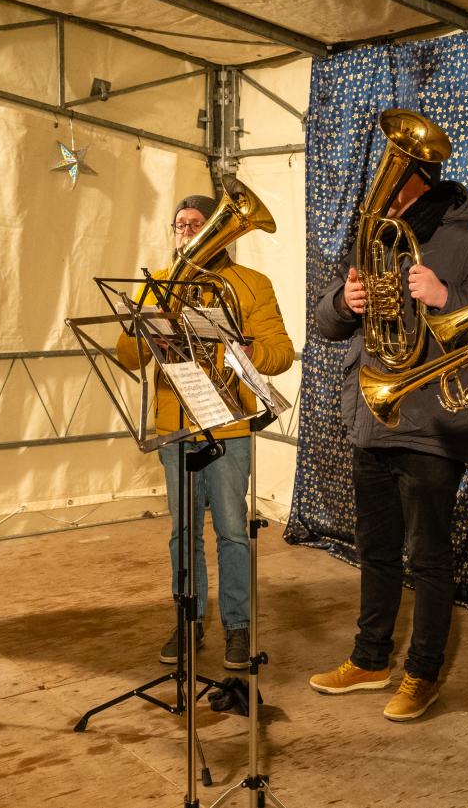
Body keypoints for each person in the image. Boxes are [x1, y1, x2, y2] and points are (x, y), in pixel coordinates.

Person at [309, 158, 468, 721]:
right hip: (374, 417)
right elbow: (326, 325)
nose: (386, 194)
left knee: (428, 558)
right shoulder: (376, 242)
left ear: (425, 181)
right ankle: (370, 660)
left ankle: (422, 673)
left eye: (397, 182)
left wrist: (447, 299)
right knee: (374, 551)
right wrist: (343, 303)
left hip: (434, 424)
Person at [116, 194, 294, 671]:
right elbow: (127, 357)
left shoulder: (251, 285)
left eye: (199, 224)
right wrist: (145, 330)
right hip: (176, 427)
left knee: (233, 531)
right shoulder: (157, 285)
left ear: (221, 230)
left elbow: (281, 353)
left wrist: (245, 348)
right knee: (183, 532)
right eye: (181, 224)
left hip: (230, 423)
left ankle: (237, 628)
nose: (188, 232)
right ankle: (188, 619)